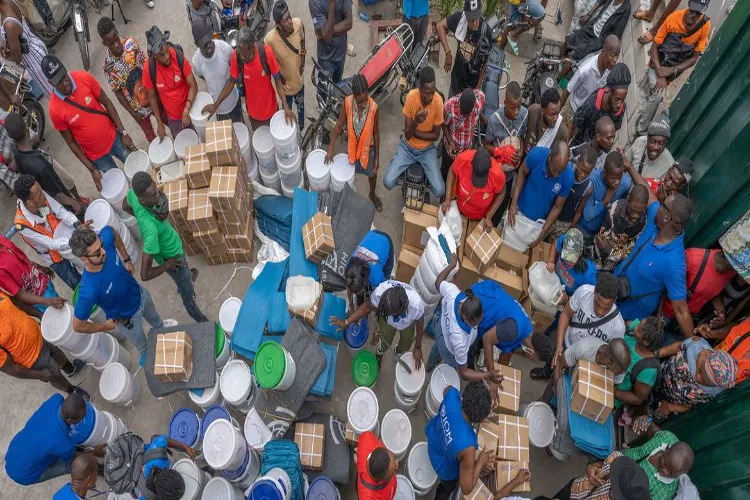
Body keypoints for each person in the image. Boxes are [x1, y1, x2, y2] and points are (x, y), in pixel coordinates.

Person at [617, 159, 694, 339]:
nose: (657, 206)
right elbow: (647, 190)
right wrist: (629, 167)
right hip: (615, 290)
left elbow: (681, 311)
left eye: (663, 205)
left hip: (627, 319)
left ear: (667, 217)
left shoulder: (675, 262)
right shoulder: (656, 219)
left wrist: (696, 347)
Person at [122, 172, 208, 323]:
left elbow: (124, 205)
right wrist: (167, 265)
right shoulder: (150, 231)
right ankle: (203, 320)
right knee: (189, 299)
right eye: (154, 195)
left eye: (156, 190)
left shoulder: (134, 194)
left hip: (174, 247)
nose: (158, 196)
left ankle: (186, 278)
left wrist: (140, 214)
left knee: (184, 274)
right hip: (173, 260)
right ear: (142, 199)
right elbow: (144, 274)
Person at [69, 225, 164, 360]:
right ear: (84, 258)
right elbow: (78, 325)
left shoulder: (105, 241)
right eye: (97, 252)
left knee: (158, 323)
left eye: (101, 245)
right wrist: (104, 326)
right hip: (129, 321)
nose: (103, 252)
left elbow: (112, 231)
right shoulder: (89, 290)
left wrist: (126, 259)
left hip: (142, 295)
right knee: (145, 349)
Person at [45, 55, 136, 191]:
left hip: (115, 139)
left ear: (65, 69)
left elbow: (107, 102)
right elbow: (71, 143)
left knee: (136, 171)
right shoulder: (54, 109)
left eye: (64, 76)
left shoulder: (83, 78)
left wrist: (123, 132)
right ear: (50, 83)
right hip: (97, 157)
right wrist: (91, 168)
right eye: (59, 82)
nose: (65, 83)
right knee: (121, 189)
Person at [426, 254, 503, 383]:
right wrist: (488, 375)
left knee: (437, 347)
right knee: (449, 362)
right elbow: (464, 373)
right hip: (450, 349)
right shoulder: (460, 341)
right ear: (465, 319)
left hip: (439, 327)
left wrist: (451, 265)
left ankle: (429, 365)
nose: (476, 326)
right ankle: (443, 373)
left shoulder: (453, 293)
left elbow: (438, 281)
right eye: (474, 325)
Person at [535, 272, 625, 380]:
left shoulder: (618, 326)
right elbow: (566, 314)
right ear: (595, 291)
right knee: (554, 364)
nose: (600, 311)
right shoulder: (584, 292)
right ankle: (546, 373)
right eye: (597, 304)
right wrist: (559, 344)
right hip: (567, 342)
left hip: (586, 361)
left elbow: (612, 355)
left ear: (614, 301)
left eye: (606, 308)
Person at [0, 291, 86, 394]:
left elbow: (17, 304)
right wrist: (38, 375)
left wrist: (39, 315)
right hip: (31, 357)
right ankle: (72, 390)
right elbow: (10, 368)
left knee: (56, 352)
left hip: (38, 331)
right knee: (55, 374)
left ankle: (70, 369)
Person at [5, 394, 98, 486]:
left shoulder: (56, 399)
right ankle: (90, 476)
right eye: (82, 417)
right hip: (24, 474)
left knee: (50, 447)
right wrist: (94, 452)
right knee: (72, 464)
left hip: (14, 451)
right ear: (69, 420)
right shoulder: (64, 443)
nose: (84, 418)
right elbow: (74, 456)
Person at [6, 114, 86, 218]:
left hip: (44, 190)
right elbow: (57, 195)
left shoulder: (15, 150)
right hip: (61, 203)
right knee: (80, 216)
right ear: (26, 127)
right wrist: (74, 203)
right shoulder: (42, 167)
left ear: (11, 136)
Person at [99, 17, 165, 143]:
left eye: (116, 39)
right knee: (150, 136)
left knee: (165, 120)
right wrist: (132, 112)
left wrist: (157, 88)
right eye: (111, 43)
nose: (116, 45)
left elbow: (147, 65)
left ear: (117, 32)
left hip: (152, 95)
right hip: (137, 108)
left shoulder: (131, 43)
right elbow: (118, 92)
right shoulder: (108, 66)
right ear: (104, 43)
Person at [331, 279, 425, 368]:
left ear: (400, 311)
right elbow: (367, 307)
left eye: (390, 314)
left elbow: (420, 322)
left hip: (408, 324)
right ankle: (380, 354)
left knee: (406, 342)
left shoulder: (416, 305)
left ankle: (399, 351)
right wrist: (346, 322)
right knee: (384, 341)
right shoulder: (380, 292)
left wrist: (418, 347)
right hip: (387, 323)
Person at [383, 67, 445, 198]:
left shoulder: (438, 101)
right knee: (387, 182)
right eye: (427, 93)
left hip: (427, 150)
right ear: (420, 89)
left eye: (432, 92)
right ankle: (401, 166)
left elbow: (435, 136)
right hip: (407, 148)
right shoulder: (411, 97)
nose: (430, 96)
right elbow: (407, 136)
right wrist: (416, 121)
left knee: (440, 191)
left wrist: (414, 131)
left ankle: (419, 172)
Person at [425, 381, 493, 500]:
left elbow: (447, 389)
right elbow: (466, 488)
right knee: (446, 488)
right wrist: (481, 462)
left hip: (433, 442)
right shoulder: (468, 446)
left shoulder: (452, 395)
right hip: (443, 468)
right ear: (480, 420)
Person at [13, 175, 81, 291]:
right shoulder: (22, 225)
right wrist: (73, 240)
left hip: (64, 237)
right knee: (78, 284)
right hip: (54, 257)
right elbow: (51, 244)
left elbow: (59, 211)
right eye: (40, 194)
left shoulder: (38, 194)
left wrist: (76, 224)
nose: (44, 194)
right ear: (30, 203)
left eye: (40, 191)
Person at [221, 26, 296, 130]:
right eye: (241, 54)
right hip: (253, 115)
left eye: (245, 55)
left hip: (271, 111)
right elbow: (230, 83)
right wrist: (215, 106)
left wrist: (286, 106)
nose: (242, 57)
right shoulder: (237, 56)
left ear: (253, 47)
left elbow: (278, 81)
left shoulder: (266, 54)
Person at [326, 74, 382, 210]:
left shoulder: (374, 108)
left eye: (365, 101)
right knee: (348, 175)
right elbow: (339, 125)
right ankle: (348, 197)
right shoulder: (347, 103)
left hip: (368, 150)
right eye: (359, 102)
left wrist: (377, 158)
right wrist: (331, 148)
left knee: (372, 174)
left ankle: (372, 194)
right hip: (352, 149)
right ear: (354, 97)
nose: (363, 105)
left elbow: (375, 133)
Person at [507, 141, 574, 250]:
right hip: (518, 212)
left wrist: (542, 232)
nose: (557, 175)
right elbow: (522, 172)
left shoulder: (569, 176)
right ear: (550, 157)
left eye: (560, 171)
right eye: (555, 169)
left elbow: (557, 207)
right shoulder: (536, 155)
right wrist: (513, 204)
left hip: (537, 223)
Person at [653, 336, 738, 418]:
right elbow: (678, 347)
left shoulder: (716, 392)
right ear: (706, 359)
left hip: (666, 401)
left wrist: (669, 407)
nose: (697, 377)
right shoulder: (697, 345)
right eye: (700, 370)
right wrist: (654, 355)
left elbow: (692, 405)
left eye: (705, 381)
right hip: (658, 373)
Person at [143, 26, 199, 139]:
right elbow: (152, 97)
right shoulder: (149, 69)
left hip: (191, 108)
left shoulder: (177, 56)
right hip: (173, 118)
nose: (167, 57)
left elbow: (193, 85)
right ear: (153, 55)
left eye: (167, 51)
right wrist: (159, 123)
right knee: (183, 145)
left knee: (199, 139)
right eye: (162, 55)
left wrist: (187, 110)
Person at [647, 1, 711, 95]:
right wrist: (660, 74)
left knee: (659, 93)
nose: (693, 15)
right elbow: (654, 48)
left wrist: (672, 70)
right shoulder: (673, 18)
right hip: (658, 63)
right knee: (655, 92)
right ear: (689, 4)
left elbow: (694, 58)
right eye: (692, 10)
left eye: (698, 13)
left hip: (675, 68)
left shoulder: (705, 24)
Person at [662, 249, 735, 331]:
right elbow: (665, 283)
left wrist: (721, 312)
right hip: (668, 313)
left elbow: (713, 291)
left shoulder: (731, 272)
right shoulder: (693, 258)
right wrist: (658, 314)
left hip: (688, 319)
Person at [627, 416, 695, 500]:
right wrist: (646, 420)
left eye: (672, 474)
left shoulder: (663, 494)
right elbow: (650, 426)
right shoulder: (667, 438)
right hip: (618, 457)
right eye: (666, 465)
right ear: (666, 449)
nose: (665, 473)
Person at [560, 0, 630, 77]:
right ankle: (555, 64)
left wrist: (605, 51)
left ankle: (557, 79)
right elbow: (600, 1)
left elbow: (616, 35)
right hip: (591, 28)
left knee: (572, 55)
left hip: (597, 40)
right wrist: (589, 14)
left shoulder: (625, 9)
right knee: (566, 42)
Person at [473, 279, 534, 367]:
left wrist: (501, 372)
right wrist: (491, 371)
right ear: (533, 352)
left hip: (492, 295)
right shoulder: (514, 329)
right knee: (471, 344)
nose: (530, 361)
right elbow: (487, 339)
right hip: (480, 299)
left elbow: (506, 358)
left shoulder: (527, 330)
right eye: (534, 360)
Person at [568, 62, 631, 149]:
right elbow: (574, 124)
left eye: (623, 100)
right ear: (609, 91)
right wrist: (567, 148)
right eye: (617, 99)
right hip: (580, 148)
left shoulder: (621, 109)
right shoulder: (592, 104)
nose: (620, 104)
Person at [437, 0, 492, 96]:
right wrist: (447, 52)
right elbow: (440, 26)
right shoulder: (459, 20)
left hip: (472, 84)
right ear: (465, 15)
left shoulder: (486, 31)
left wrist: (478, 86)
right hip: (456, 81)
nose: (474, 23)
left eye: (476, 18)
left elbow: (486, 61)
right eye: (470, 20)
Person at [0, 232, 63, 316]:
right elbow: (19, 294)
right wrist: (47, 302)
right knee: (61, 318)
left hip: (44, 282)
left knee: (64, 309)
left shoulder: (2, 240)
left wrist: (39, 267)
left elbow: (21, 259)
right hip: (39, 300)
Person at [265, 0, 306, 129]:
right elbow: (267, 57)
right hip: (286, 88)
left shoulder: (298, 23)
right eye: (285, 20)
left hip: (299, 82)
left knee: (300, 108)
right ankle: (290, 130)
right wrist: (276, 73)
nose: (290, 22)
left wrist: (303, 55)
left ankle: (301, 128)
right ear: (279, 25)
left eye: (289, 16)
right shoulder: (270, 39)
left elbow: (303, 37)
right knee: (287, 111)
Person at [589, 184, 649, 271]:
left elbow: (629, 252)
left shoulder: (643, 223)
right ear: (628, 200)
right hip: (599, 255)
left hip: (615, 264)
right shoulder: (615, 210)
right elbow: (601, 240)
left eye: (640, 212)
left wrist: (611, 250)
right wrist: (614, 252)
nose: (635, 216)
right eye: (633, 210)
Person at [442, 147, 506, 229]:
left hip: (480, 218)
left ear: (490, 167)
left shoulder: (497, 174)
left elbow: (502, 193)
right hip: (459, 209)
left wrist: (489, 216)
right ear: (471, 163)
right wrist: (447, 199)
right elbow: (452, 170)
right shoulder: (463, 159)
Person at [0, 0, 54, 96]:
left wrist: (8, 57)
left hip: (34, 61)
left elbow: (17, 58)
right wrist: (7, 40)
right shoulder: (9, 2)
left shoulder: (9, 25)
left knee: (56, 95)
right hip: (36, 45)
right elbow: (19, 31)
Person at [190, 24, 242, 124]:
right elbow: (200, 74)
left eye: (209, 41)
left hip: (233, 102)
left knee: (239, 124)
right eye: (204, 45)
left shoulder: (225, 48)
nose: (209, 46)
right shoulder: (196, 61)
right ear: (196, 44)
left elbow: (233, 75)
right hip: (218, 110)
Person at [545, 146, 596, 242]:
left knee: (551, 248)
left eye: (587, 173)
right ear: (578, 161)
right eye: (581, 169)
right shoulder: (566, 169)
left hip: (564, 223)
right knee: (538, 238)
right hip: (550, 213)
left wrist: (571, 228)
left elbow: (579, 211)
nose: (582, 175)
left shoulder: (588, 188)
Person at [577, 151, 632, 239]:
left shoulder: (625, 184)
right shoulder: (592, 181)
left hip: (600, 234)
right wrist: (605, 201)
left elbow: (620, 206)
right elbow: (587, 216)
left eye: (620, 177)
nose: (617, 182)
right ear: (604, 172)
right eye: (612, 178)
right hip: (582, 229)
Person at [561, 35, 620, 112]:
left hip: (586, 114)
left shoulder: (609, 70)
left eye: (617, 55)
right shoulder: (585, 70)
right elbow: (567, 91)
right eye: (612, 55)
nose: (615, 60)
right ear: (603, 52)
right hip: (572, 110)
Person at [615, 316, 663, 409]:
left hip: (612, 393)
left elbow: (637, 399)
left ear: (645, 342)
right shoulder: (635, 334)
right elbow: (628, 322)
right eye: (639, 324)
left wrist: (614, 392)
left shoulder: (648, 370)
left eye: (639, 329)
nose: (635, 327)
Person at [553, 453, 649, 499]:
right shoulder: (616, 458)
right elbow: (600, 463)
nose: (612, 494)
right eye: (615, 488)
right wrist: (592, 467)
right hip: (575, 489)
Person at [483, 82, 527, 181]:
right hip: (497, 168)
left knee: (507, 187)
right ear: (505, 102)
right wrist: (500, 151)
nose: (516, 112)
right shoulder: (494, 120)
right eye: (512, 108)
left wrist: (520, 152)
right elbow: (486, 145)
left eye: (519, 107)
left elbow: (522, 136)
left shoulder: (524, 114)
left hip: (511, 170)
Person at [441, 88, 486, 179]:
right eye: (463, 113)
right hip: (451, 151)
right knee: (446, 172)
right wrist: (450, 141)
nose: (465, 117)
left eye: (468, 114)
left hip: (467, 151)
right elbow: (444, 124)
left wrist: (483, 120)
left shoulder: (480, 98)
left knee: (462, 174)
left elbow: (479, 111)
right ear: (459, 103)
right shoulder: (449, 106)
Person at [309, 0, 352, 90]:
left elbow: (349, 23)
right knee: (323, 90)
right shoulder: (314, 2)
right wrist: (332, 4)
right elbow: (327, 38)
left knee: (338, 84)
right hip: (326, 59)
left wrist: (325, 32)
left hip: (341, 52)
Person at [138, 434, 197, 499]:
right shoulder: (145, 496)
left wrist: (186, 448)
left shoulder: (159, 456)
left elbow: (155, 437)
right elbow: (154, 437)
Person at [555, 337, 631, 386]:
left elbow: (613, 387)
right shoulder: (583, 348)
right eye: (620, 371)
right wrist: (557, 391)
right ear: (610, 362)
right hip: (569, 381)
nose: (623, 373)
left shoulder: (621, 367)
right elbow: (559, 363)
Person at [345, 230, 395, 303]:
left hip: (385, 241)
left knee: (385, 284)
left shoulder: (375, 279)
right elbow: (349, 284)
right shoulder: (350, 267)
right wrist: (351, 306)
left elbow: (369, 306)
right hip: (372, 234)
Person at [549, 228, 598, 299]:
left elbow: (588, 296)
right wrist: (551, 261)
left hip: (566, 298)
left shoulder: (589, 272)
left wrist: (568, 298)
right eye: (565, 256)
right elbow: (554, 245)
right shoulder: (566, 240)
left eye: (572, 259)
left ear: (580, 252)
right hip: (553, 281)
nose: (567, 261)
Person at [624, 109, 674, 178]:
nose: (655, 147)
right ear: (647, 138)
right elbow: (624, 163)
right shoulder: (639, 142)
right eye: (652, 141)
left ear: (666, 143)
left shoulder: (668, 165)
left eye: (661, 143)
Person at [523, 88, 567, 155]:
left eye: (558, 113)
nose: (556, 118)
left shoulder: (562, 132)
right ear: (542, 111)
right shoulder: (532, 111)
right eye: (552, 114)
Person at [355, 431, 398, 499]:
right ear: (381, 480)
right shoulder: (367, 497)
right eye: (393, 471)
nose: (397, 464)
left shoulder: (367, 439)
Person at [401, 0, 429, 88]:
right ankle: (405, 73)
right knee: (407, 47)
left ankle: (413, 73)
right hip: (410, 16)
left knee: (418, 47)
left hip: (424, 14)